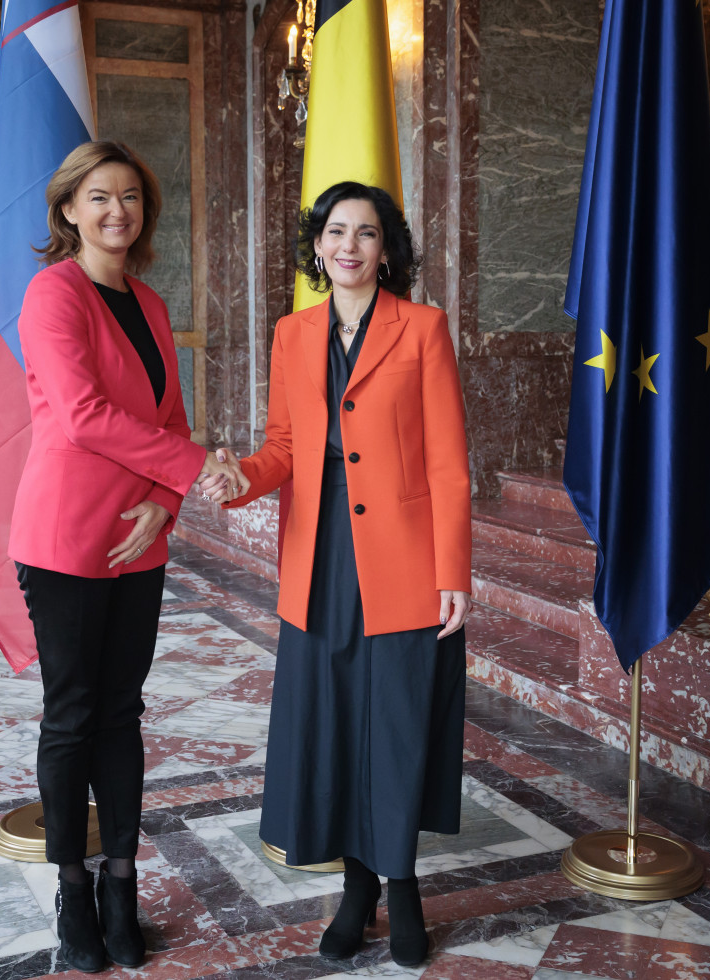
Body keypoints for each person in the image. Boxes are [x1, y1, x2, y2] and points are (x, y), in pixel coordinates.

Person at [216, 181, 471, 967]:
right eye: (335, 231)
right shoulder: (293, 334)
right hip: (320, 553)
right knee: (332, 723)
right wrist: (241, 479)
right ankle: (356, 893)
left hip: (403, 555)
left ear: (386, 248)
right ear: (318, 247)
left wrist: (453, 567)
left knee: (393, 726)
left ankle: (403, 891)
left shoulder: (423, 329)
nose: (349, 245)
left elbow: (449, 463)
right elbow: (285, 448)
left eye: (366, 232)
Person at [7, 140, 247, 973]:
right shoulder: (51, 293)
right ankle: (73, 891)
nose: (119, 211)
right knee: (71, 716)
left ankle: (121, 884)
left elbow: (170, 421)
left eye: (133, 198)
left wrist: (168, 500)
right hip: (68, 537)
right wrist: (196, 468)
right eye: (101, 197)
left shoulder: (148, 303)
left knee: (123, 714)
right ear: (69, 209)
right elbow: (78, 416)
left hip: (139, 541)